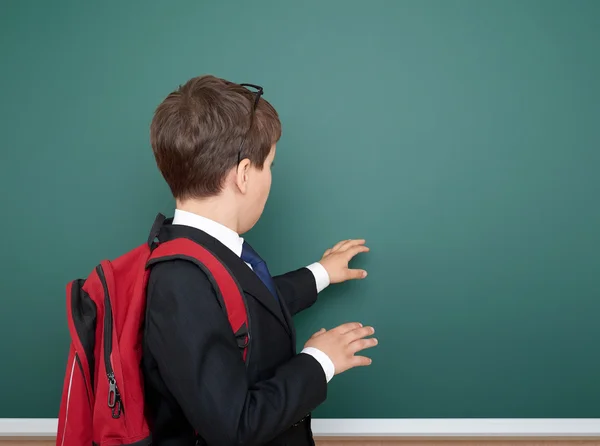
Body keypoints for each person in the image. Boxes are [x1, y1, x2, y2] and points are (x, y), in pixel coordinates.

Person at [142, 75, 378, 446]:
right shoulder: (180, 284)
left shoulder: (204, 249)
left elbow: (244, 303)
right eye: (269, 165)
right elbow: (235, 427)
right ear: (244, 175)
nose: (270, 177)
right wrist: (318, 361)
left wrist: (321, 274)